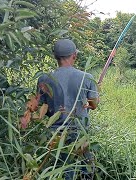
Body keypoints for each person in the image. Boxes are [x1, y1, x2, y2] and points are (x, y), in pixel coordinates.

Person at [37, 39, 99, 179]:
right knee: (87, 168)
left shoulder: (43, 79)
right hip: (80, 133)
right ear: (74, 55)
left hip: (55, 135)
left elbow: (41, 109)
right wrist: (95, 92)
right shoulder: (87, 78)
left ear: (55, 57)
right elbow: (93, 105)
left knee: (63, 169)